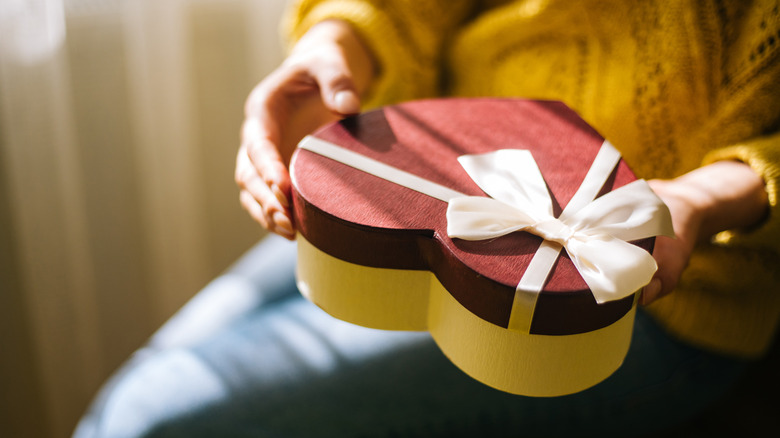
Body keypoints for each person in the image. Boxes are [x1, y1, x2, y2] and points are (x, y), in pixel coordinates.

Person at [75, 1, 779, 437]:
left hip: (641, 296)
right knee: (153, 375)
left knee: (148, 414)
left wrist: (704, 198)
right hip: (425, 175)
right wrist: (337, 42)